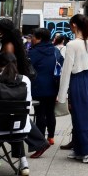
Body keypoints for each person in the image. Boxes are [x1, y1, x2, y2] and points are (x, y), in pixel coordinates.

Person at [56, 14, 88, 164]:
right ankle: (81, 148)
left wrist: (61, 95)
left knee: (80, 114)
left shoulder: (72, 44)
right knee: (87, 112)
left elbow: (66, 70)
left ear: (74, 25)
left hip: (77, 79)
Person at [27, 28, 62, 158]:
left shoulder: (33, 52)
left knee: (40, 113)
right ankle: (51, 137)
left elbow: (27, 67)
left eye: (33, 37)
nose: (31, 39)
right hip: (53, 85)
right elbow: (61, 63)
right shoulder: (55, 50)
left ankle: (41, 140)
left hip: (38, 86)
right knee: (50, 112)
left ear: (39, 39)